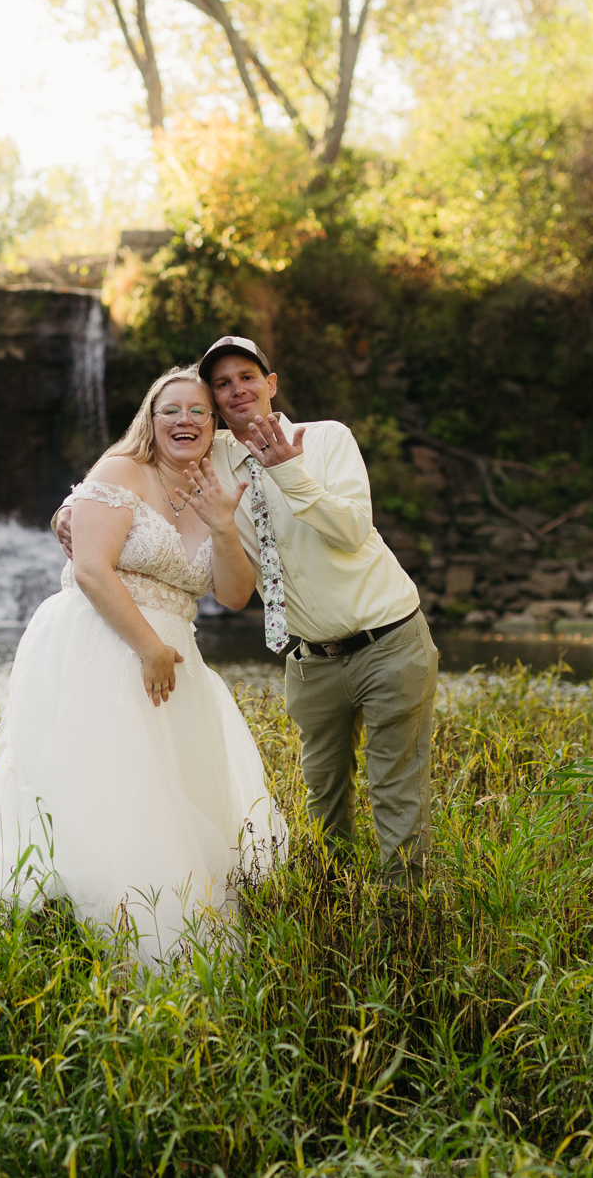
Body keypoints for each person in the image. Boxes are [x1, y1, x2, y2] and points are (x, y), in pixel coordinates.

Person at [0, 367, 285, 966]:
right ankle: (116, 920)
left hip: (177, 659)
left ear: (214, 423)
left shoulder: (216, 488)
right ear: (150, 417)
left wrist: (223, 526)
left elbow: (235, 595)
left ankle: (165, 905)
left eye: (198, 411)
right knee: (113, 785)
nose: (185, 421)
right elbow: (92, 570)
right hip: (103, 646)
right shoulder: (120, 472)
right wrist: (147, 649)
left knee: (169, 796)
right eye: (170, 410)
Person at [197, 335, 438, 886]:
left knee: (395, 791)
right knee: (322, 796)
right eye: (222, 383)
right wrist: (72, 506)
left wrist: (288, 471)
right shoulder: (209, 462)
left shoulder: (327, 439)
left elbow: (354, 528)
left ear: (271, 384)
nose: (237, 390)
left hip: (389, 641)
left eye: (247, 377)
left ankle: (402, 929)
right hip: (309, 659)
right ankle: (334, 912)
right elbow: (140, 455)